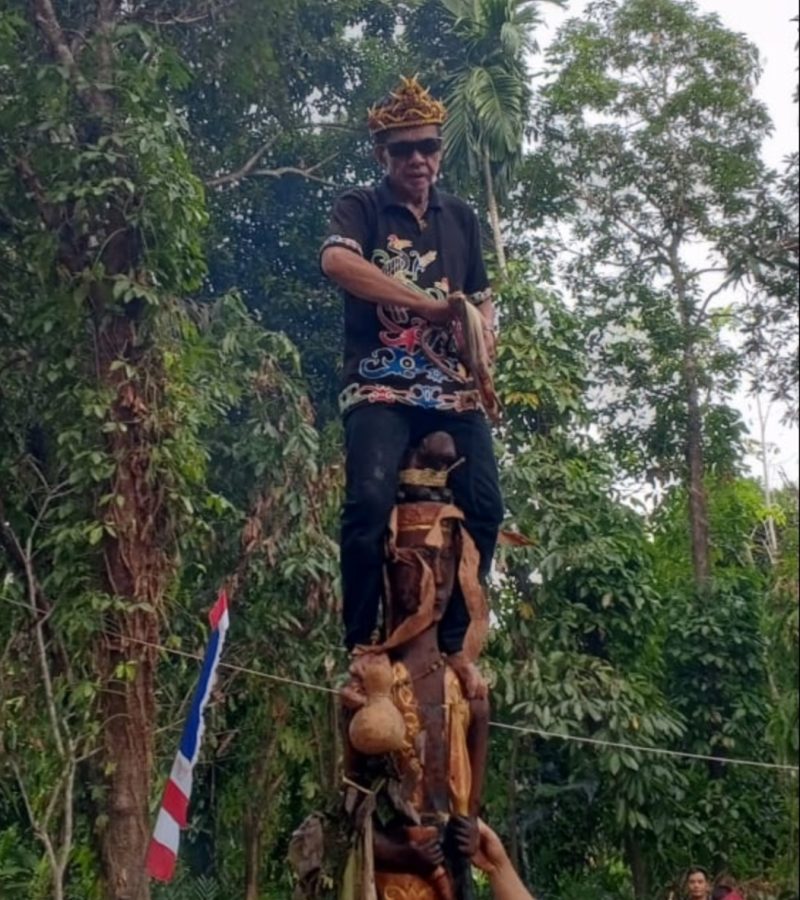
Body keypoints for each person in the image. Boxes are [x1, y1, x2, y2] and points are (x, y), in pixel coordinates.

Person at [320, 76, 504, 697]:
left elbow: (481, 296)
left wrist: (484, 341)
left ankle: (454, 644)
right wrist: (425, 305)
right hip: (381, 383)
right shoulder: (361, 206)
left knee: (486, 507)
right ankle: (360, 644)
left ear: (439, 150)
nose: (417, 159)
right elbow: (337, 262)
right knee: (367, 505)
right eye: (403, 150)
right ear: (383, 155)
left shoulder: (461, 217)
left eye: (427, 146)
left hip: (452, 389)